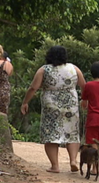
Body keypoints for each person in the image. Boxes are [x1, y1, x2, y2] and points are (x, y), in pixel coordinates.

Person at [20, 45, 86, 173]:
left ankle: (55, 166)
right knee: (71, 132)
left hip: (51, 105)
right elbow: (84, 85)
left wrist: (25, 102)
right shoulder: (74, 68)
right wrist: (84, 99)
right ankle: (73, 160)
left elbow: (33, 88)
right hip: (70, 105)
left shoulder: (44, 70)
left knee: (51, 134)